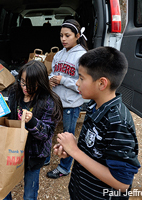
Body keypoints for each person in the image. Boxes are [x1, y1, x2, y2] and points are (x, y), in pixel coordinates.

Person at [54, 46, 141, 199]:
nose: (77, 84)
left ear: (102, 83)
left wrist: (75, 151)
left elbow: (122, 184)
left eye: (81, 78)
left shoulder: (118, 123)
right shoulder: (94, 106)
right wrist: (72, 147)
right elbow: (94, 151)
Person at [4, 60, 63, 200]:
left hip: (34, 154)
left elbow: (47, 134)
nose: (25, 87)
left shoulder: (49, 102)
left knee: (30, 192)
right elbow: (8, 117)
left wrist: (32, 121)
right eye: (22, 81)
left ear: (41, 82)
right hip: (12, 149)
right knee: (4, 184)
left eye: (30, 84)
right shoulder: (14, 92)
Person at [46, 19, 88, 178]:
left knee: (67, 136)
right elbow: (53, 73)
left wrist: (62, 81)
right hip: (56, 101)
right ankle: (45, 157)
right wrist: (50, 78)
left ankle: (64, 168)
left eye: (67, 35)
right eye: (61, 35)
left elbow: (83, 84)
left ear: (77, 35)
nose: (63, 39)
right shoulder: (58, 54)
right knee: (48, 130)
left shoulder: (83, 56)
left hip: (72, 104)